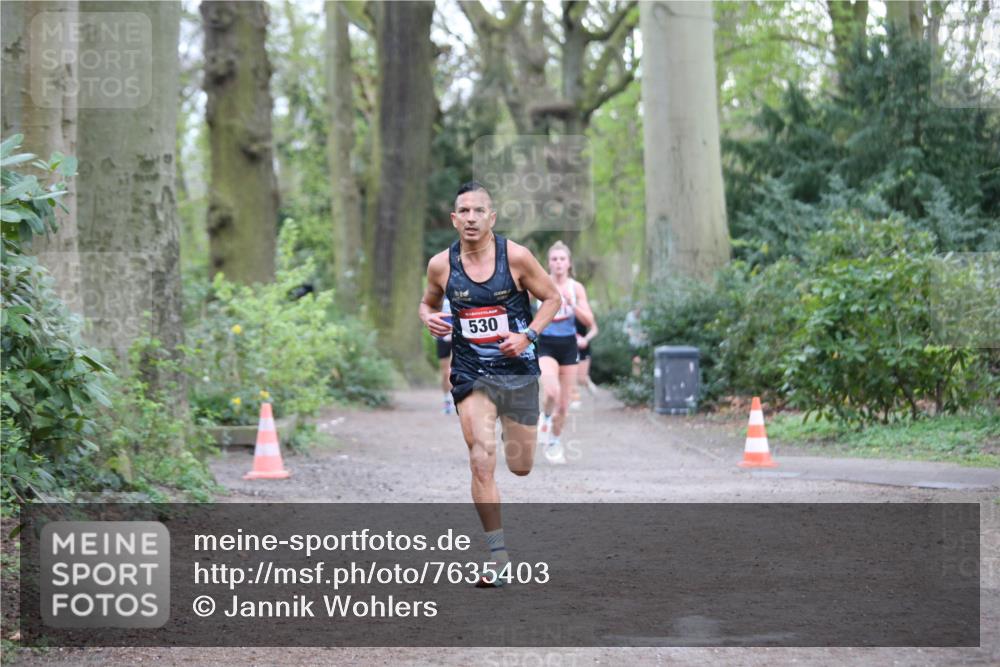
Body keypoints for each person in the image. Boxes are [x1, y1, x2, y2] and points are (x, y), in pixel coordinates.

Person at [419, 181, 560, 587]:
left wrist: (528, 336)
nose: (471, 218)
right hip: (470, 372)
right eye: (463, 211)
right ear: (454, 218)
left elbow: (552, 298)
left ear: (492, 217)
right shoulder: (440, 265)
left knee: (520, 466)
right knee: (481, 456)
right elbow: (427, 302)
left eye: (479, 211)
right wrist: (426, 317)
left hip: (517, 372)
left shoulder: (516, 257)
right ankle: (498, 556)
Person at [536, 241, 595, 464]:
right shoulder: (541, 284)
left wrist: (572, 304)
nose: (558, 263)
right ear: (548, 263)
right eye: (554, 259)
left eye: (562, 259)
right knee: (551, 392)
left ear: (569, 263)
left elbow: (589, 321)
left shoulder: (576, 288)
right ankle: (546, 417)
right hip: (546, 344)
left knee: (564, 404)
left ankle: (554, 441)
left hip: (568, 346)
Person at [436, 296, 454, 414]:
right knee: (445, 372)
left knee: (455, 370)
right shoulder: (438, 294)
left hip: (458, 336)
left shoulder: (460, 290)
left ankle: (460, 399)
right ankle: (447, 399)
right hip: (442, 337)